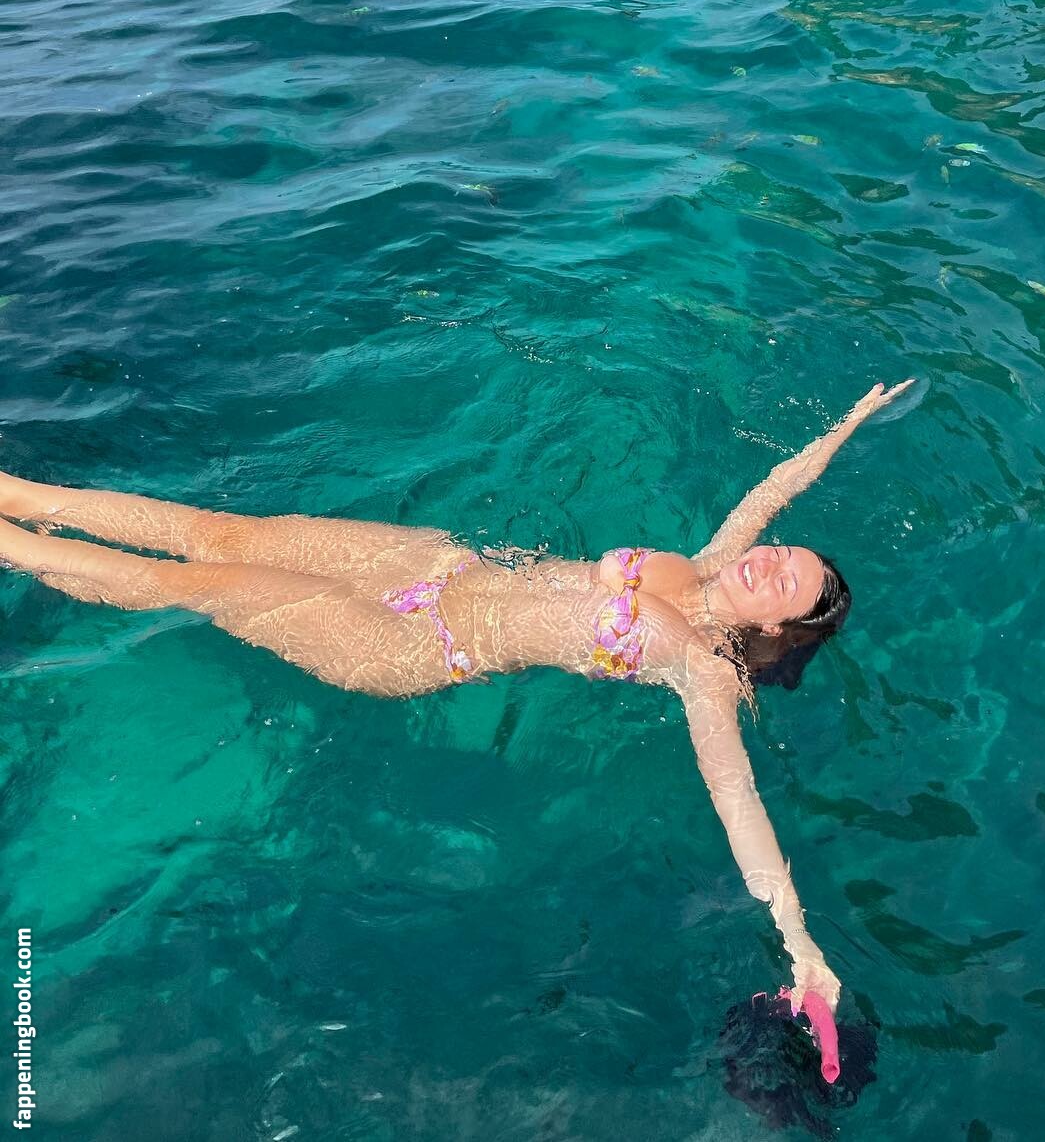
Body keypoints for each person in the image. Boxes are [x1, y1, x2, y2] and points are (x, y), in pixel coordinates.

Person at [0, 379, 913, 1022]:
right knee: (217, 532)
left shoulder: (704, 672)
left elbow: (737, 800)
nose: (769, 561)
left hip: (412, 644)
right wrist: (849, 424)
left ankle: (16, 546)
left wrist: (799, 942)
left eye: (784, 581)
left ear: (774, 627)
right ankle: (19, 492)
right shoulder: (714, 562)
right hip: (436, 566)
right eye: (781, 554)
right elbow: (773, 487)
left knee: (196, 583)